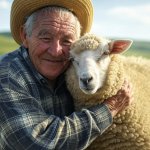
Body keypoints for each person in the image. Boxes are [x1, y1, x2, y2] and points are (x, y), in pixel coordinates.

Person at [0, 0, 133, 149]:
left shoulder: (72, 71)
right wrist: (110, 108)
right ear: (25, 36)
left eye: (67, 41)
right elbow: (37, 142)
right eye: (46, 38)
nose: (56, 51)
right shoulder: (6, 76)